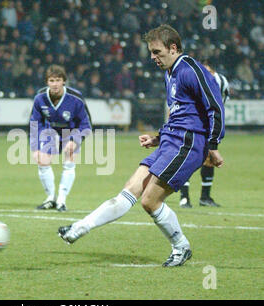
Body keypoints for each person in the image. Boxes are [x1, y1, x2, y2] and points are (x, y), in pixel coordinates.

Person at [58, 25, 225, 267]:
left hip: (188, 144)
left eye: (156, 52)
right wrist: (158, 137)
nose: (152, 57)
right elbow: (181, 114)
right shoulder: (170, 73)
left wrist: (213, 144)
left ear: (173, 48)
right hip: (171, 141)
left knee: (150, 201)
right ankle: (79, 228)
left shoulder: (190, 69)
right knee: (130, 189)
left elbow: (214, 105)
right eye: (151, 52)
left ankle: (181, 247)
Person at [30, 64, 92, 211]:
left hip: (71, 131)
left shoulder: (75, 98)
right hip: (49, 131)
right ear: (47, 82)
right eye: (51, 80)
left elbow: (86, 125)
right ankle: (50, 198)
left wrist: (75, 140)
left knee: (69, 158)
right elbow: (34, 123)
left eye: (58, 80)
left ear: (64, 81)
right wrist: (34, 147)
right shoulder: (40, 98)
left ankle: (61, 200)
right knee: (42, 160)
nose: (55, 84)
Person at [179, 62, 229, 208]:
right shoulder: (189, 78)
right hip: (190, 124)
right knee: (188, 159)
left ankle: (205, 197)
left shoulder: (220, 81)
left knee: (209, 159)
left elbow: (221, 103)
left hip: (208, 125)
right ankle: (184, 197)